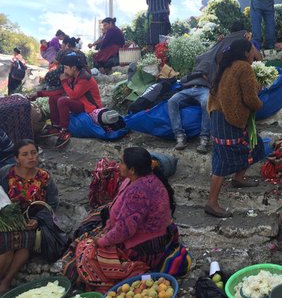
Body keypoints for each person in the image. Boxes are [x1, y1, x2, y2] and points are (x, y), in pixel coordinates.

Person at [62, 147, 180, 293]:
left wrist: (102, 241)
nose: (118, 166)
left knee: (85, 255)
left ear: (132, 169)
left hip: (143, 247)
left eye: (121, 163)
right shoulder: (132, 181)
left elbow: (125, 230)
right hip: (130, 233)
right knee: (88, 235)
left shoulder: (139, 192)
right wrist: (107, 229)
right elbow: (118, 211)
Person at [169, 22, 261, 154]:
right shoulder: (224, 51)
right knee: (172, 101)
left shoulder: (237, 60)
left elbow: (258, 59)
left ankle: (204, 139)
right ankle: (179, 136)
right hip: (190, 86)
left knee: (207, 102)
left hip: (205, 89)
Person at [205, 39, 264, 218]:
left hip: (219, 117)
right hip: (229, 119)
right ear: (246, 52)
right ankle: (212, 203)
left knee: (255, 144)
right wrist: (259, 102)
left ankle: (238, 178)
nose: (254, 52)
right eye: (252, 49)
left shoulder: (227, 64)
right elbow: (250, 99)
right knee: (223, 160)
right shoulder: (244, 67)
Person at [0, 140, 61, 294]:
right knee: (7, 244)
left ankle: (6, 281)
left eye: (34, 153)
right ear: (16, 158)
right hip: (7, 221)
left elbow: (52, 204)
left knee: (26, 240)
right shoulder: (6, 173)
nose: (31, 157)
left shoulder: (44, 177)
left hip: (33, 222)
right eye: (25, 154)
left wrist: (38, 220)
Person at [43, 53, 102, 148]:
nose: (64, 71)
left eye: (66, 68)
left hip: (89, 107)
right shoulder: (73, 76)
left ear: (73, 68)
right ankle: (56, 126)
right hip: (80, 103)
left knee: (63, 101)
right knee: (53, 99)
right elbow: (61, 91)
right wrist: (39, 94)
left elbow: (73, 95)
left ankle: (64, 130)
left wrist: (63, 81)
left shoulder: (84, 77)